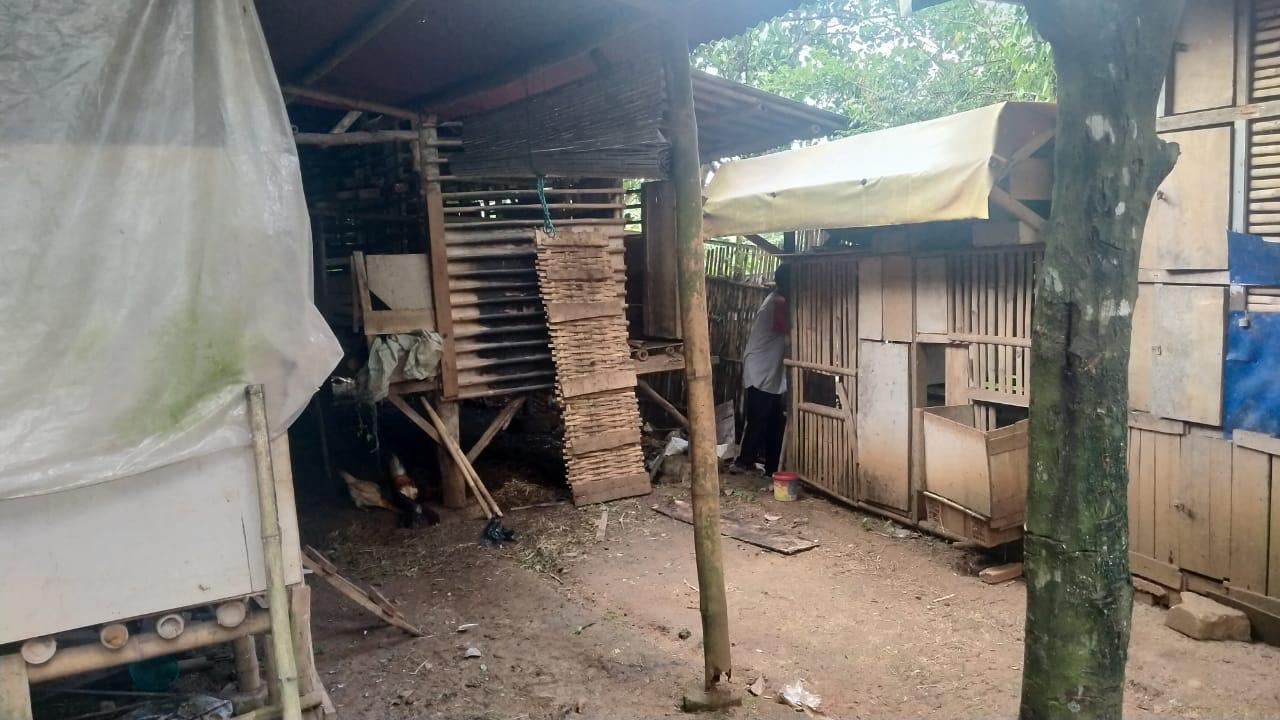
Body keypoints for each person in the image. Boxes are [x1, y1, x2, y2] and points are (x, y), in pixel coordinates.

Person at [734, 263, 790, 476]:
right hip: (760, 367)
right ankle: (744, 462)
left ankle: (772, 466)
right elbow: (788, 329)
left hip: (769, 369)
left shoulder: (778, 299)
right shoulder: (778, 302)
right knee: (759, 417)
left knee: (775, 419)